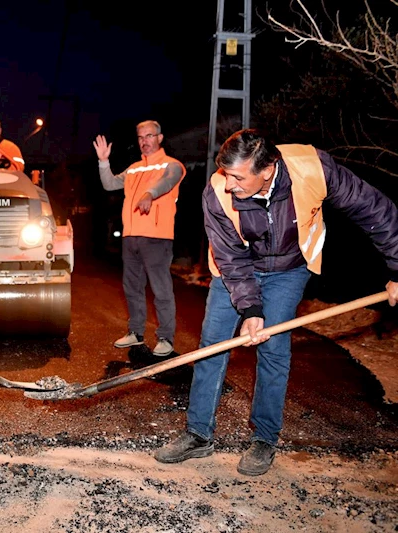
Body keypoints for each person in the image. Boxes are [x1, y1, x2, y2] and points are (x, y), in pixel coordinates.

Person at [155, 129, 398, 476]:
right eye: (227, 174)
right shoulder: (217, 192)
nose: (229, 184)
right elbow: (230, 257)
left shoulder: (312, 168)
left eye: (238, 177)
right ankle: (198, 433)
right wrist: (251, 309)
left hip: (289, 268)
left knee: (273, 346)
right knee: (212, 344)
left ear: (267, 170)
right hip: (233, 269)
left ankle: (265, 438)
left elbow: (374, 210)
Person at [93, 120, 186, 356]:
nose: (145, 141)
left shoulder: (172, 165)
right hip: (131, 236)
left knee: (161, 289)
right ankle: (135, 332)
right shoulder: (134, 169)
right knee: (132, 287)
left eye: (150, 136)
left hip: (156, 237)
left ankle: (166, 337)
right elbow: (109, 183)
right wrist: (104, 161)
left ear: (160, 138)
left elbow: (168, 182)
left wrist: (149, 193)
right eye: (141, 137)